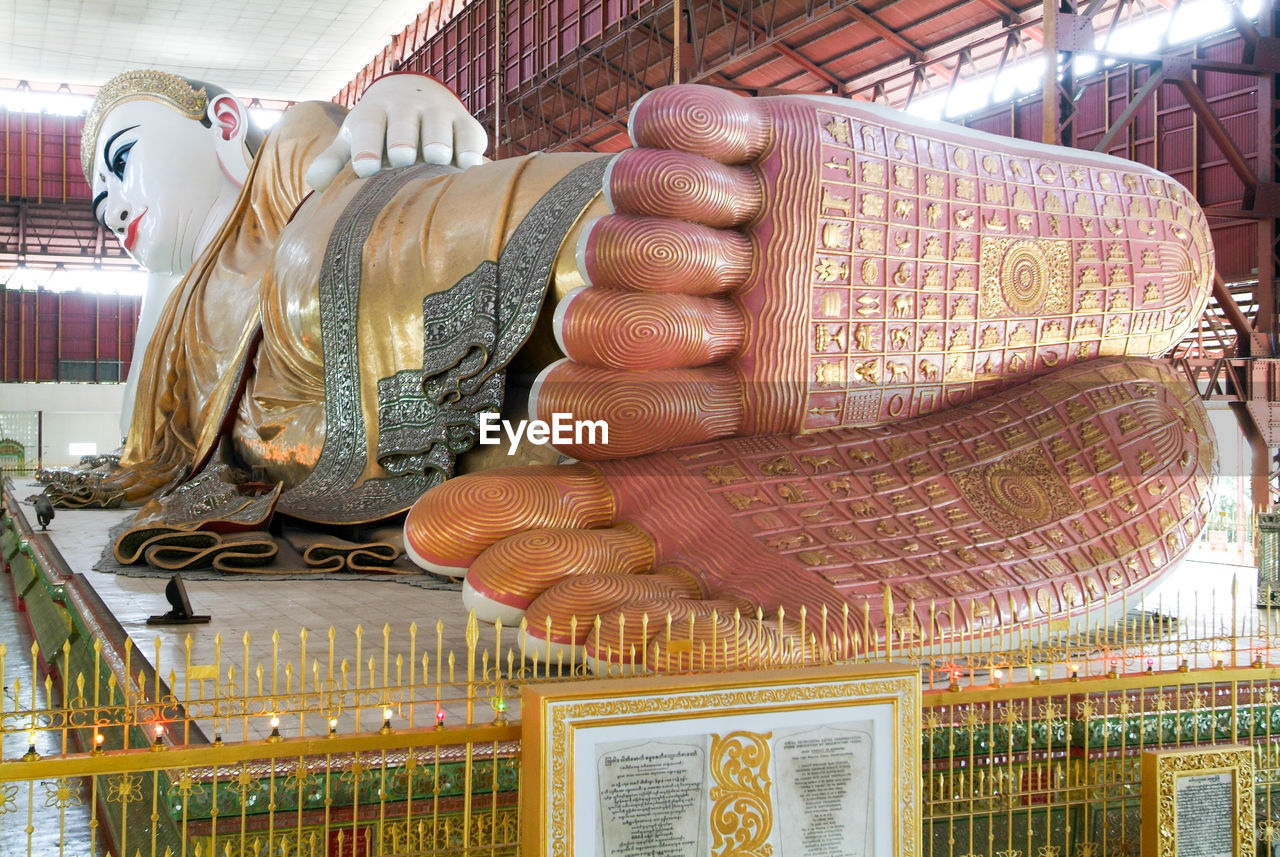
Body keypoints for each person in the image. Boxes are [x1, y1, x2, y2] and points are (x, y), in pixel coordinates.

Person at [70, 73, 1214, 664]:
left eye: (119, 164)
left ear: (221, 120)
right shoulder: (170, 322)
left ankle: (641, 263)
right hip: (391, 456)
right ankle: (733, 415)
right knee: (538, 459)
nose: (109, 206)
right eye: (93, 197)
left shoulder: (277, 167)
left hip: (371, 314)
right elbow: (147, 460)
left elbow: (329, 142)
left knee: (341, 243)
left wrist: (396, 103)